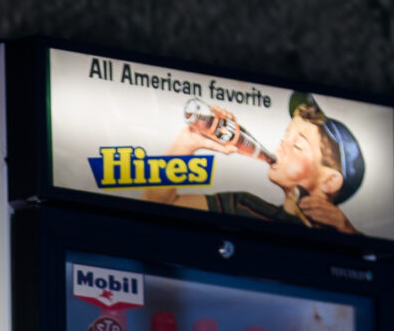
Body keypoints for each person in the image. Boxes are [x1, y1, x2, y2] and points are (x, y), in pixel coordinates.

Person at [152, 90, 366, 233]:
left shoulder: (342, 245)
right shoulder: (244, 208)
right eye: (285, 136)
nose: (281, 145)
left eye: (298, 145)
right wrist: (186, 143)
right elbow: (155, 211)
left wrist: (349, 234)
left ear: (330, 181)